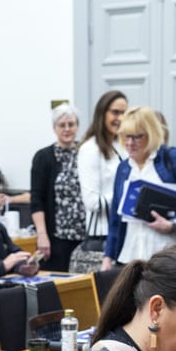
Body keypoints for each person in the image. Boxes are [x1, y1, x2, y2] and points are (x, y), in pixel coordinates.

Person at [102, 106, 176, 270]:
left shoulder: (174, 158)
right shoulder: (124, 168)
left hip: (168, 256)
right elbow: (115, 219)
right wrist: (108, 257)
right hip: (129, 257)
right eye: (126, 137)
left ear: (151, 134)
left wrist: (173, 224)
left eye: (137, 137)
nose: (130, 143)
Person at [74, 90, 127, 271]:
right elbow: (92, 201)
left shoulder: (122, 146)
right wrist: (127, 195)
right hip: (102, 237)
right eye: (115, 112)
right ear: (102, 113)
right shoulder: (90, 149)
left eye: (124, 113)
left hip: (125, 234)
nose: (120, 118)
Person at [29, 103, 84, 273]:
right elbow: (36, 199)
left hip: (85, 236)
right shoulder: (43, 157)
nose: (67, 129)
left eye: (71, 124)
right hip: (57, 237)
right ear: (54, 128)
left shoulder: (86, 152)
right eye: (62, 125)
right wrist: (42, 235)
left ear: (77, 126)